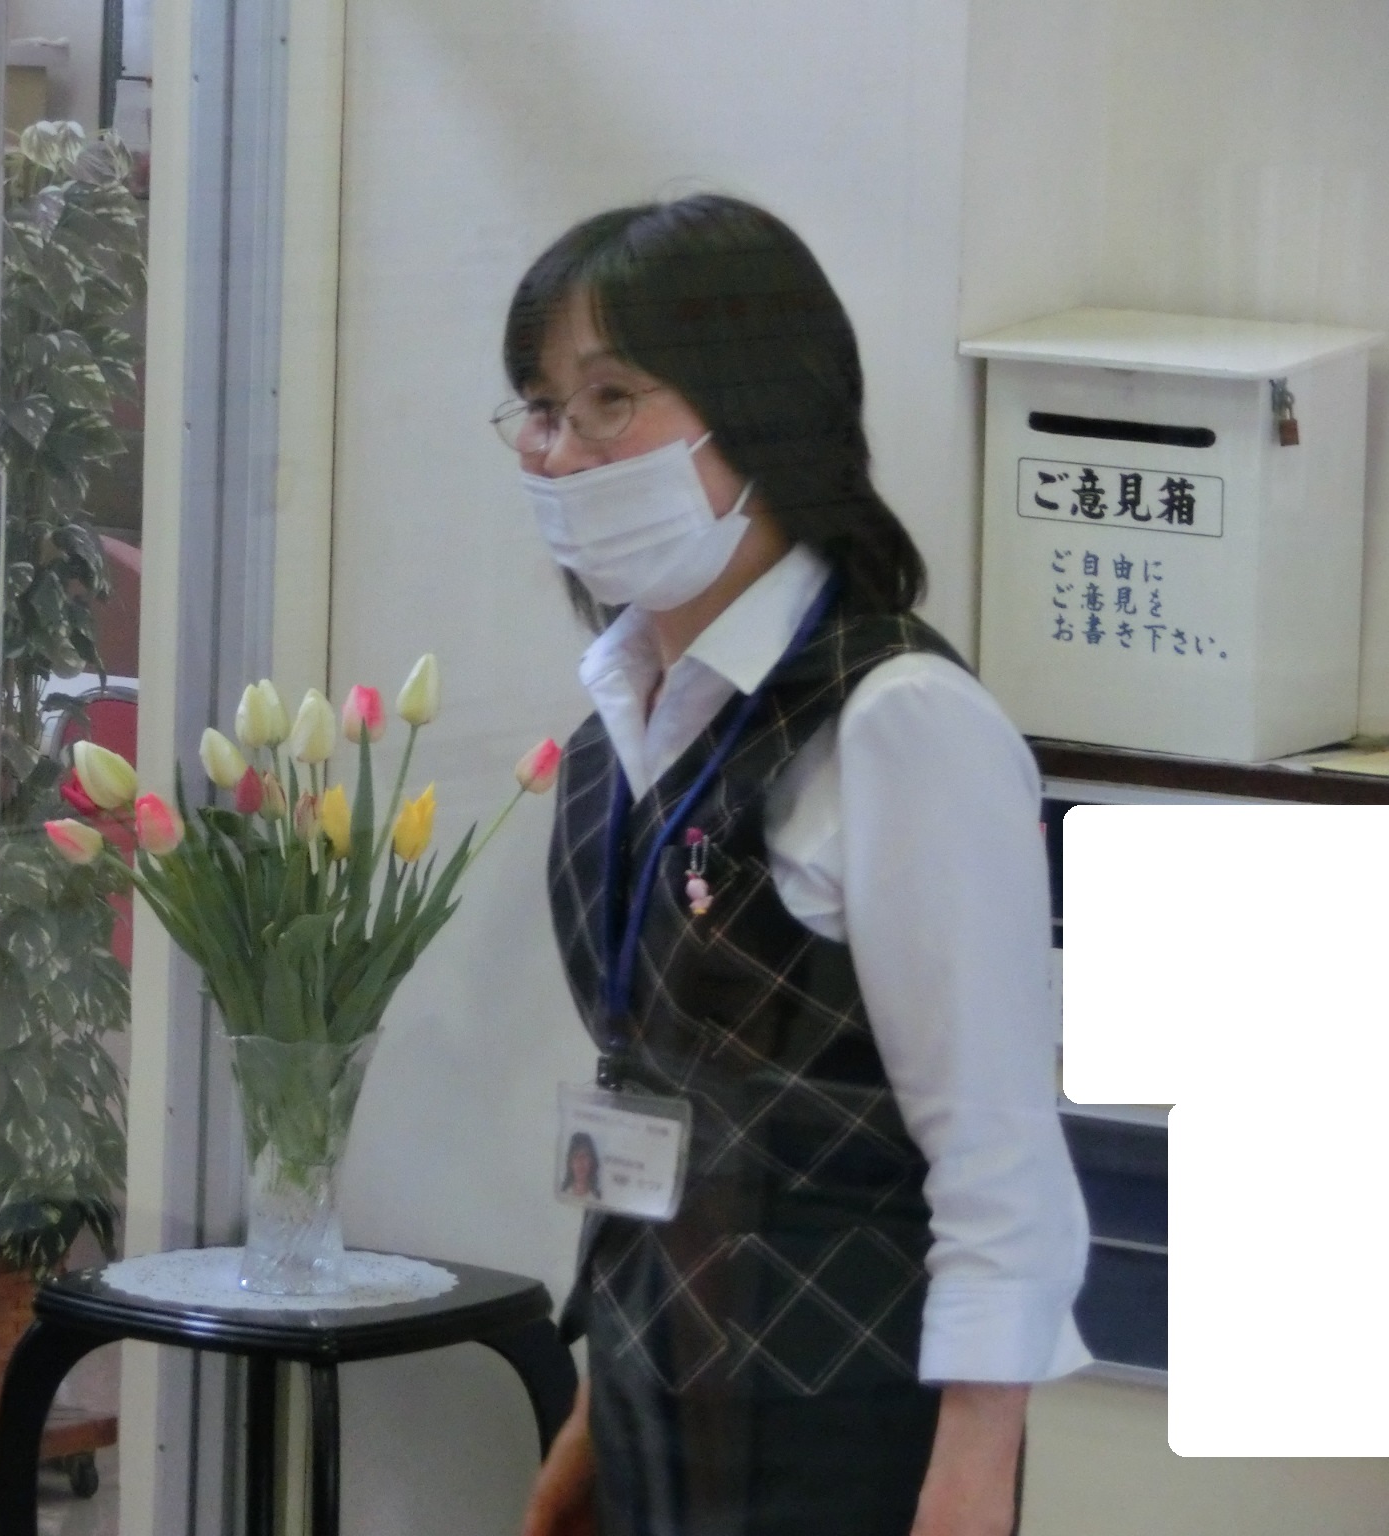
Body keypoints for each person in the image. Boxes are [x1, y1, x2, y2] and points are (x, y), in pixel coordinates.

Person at [504, 196, 1090, 1536]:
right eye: (539, 408)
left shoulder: (898, 721)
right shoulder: (615, 727)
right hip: (658, 1395)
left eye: (609, 399)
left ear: (759, 415)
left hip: (852, 1420)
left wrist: (971, 1475)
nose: (562, 450)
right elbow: (659, 1098)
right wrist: (596, 1405)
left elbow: (996, 1156)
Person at [560, 1130, 602, 1200]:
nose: (580, 1162)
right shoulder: (561, 1193)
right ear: (570, 1162)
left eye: (585, 1155)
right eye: (576, 1155)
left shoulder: (598, 1198)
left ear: (592, 1161)